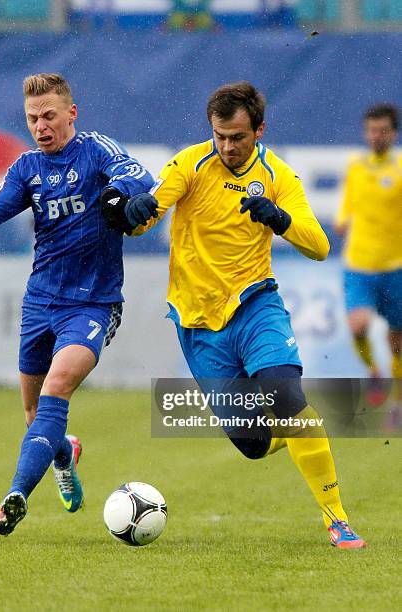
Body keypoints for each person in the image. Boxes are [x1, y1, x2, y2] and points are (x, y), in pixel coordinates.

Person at [104, 81, 366, 548]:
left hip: (255, 305)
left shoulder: (279, 176)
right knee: (253, 445)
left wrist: (278, 218)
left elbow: (321, 246)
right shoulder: (190, 163)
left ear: (260, 130)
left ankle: (337, 519)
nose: (227, 146)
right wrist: (135, 212)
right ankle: (302, 428)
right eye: (220, 136)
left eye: (238, 137)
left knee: (284, 396)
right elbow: (145, 217)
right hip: (199, 324)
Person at [0, 73, 157, 536]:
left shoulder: (97, 150)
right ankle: (64, 453)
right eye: (33, 118)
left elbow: (138, 177)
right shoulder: (27, 167)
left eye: (49, 115)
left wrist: (118, 195)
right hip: (40, 303)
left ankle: (15, 494)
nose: (40, 125)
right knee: (37, 415)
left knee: (58, 386)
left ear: (71, 113)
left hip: (93, 304)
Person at [335, 103, 401, 425]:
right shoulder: (355, 166)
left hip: (396, 266)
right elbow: (347, 206)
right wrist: (342, 220)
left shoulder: (401, 167)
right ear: (366, 132)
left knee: (398, 339)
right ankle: (374, 372)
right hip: (358, 264)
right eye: (372, 130)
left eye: (383, 130)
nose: (377, 136)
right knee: (357, 325)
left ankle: (398, 403)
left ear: (394, 132)